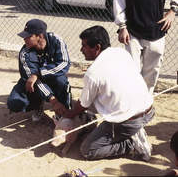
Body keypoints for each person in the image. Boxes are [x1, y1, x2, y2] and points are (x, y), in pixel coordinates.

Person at [64, 25, 155, 161]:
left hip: (129, 121)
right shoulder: (121, 52)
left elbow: (83, 104)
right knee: (97, 96)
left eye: (84, 46)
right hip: (149, 110)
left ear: (97, 47)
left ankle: (131, 143)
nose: (81, 50)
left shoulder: (93, 73)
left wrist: (72, 113)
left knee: (87, 149)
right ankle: (131, 133)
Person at [7, 19, 72, 121]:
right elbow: (32, 80)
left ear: (40, 36)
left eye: (28, 36)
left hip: (53, 78)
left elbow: (64, 63)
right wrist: (54, 101)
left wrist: (38, 73)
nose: (24, 39)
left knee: (61, 81)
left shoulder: (56, 40)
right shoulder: (25, 53)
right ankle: (38, 104)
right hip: (35, 83)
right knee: (15, 103)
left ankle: (64, 111)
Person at [113, 0, 178, 95]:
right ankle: (133, 100)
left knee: (151, 72)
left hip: (157, 29)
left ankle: (146, 100)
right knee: (132, 70)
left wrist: (173, 10)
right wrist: (122, 25)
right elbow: (119, 0)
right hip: (133, 31)